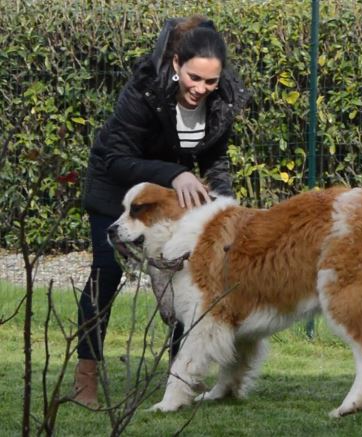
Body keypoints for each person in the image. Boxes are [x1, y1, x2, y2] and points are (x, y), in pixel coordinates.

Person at [74, 15, 250, 408]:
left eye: (210, 82)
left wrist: (227, 207)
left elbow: (216, 160)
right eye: (194, 78)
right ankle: (84, 380)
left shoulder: (224, 100)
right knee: (106, 272)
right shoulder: (143, 92)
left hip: (174, 193)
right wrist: (175, 174)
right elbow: (116, 156)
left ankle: (179, 378)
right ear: (175, 65)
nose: (201, 89)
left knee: (183, 273)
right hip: (117, 190)